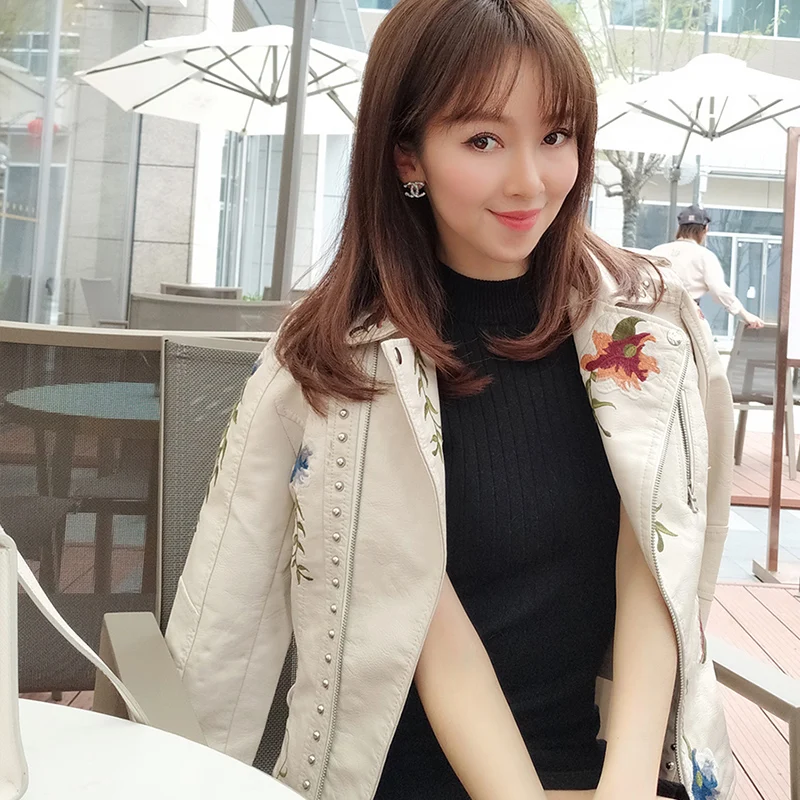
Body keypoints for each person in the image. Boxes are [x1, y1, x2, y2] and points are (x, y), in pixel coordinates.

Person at [165, 2, 736, 800]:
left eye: (556, 135)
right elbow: (232, 631)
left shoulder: (646, 329)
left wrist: (627, 785)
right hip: (398, 778)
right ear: (409, 154)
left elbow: (660, 560)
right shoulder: (341, 365)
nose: (530, 180)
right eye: (483, 141)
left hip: (597, 766)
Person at [651, 205, 765, 329]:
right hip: (685, 317)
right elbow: (719, 290)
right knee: (703, 342)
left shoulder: (656, 251)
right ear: (705, 229)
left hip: (653, 314)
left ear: (679, 228)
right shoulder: (704, 256)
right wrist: (744, 314)